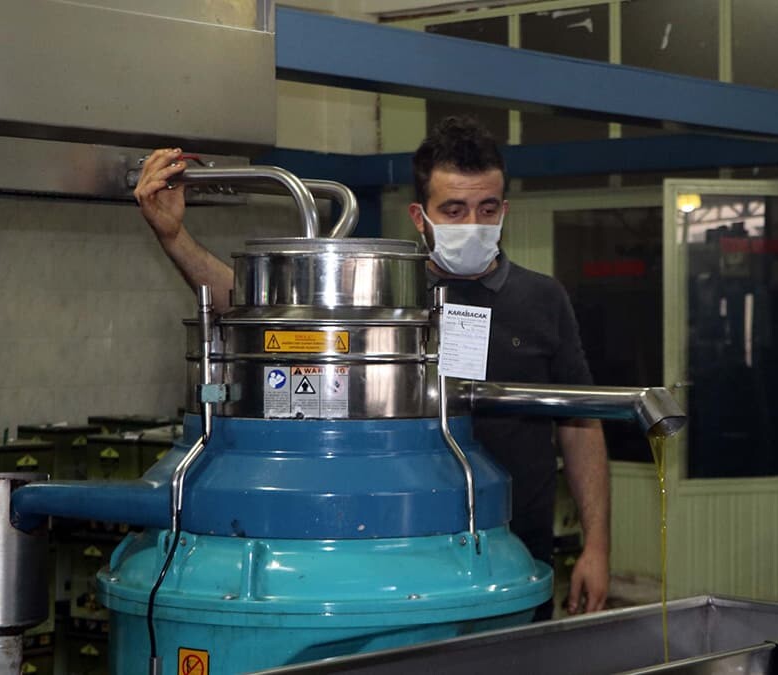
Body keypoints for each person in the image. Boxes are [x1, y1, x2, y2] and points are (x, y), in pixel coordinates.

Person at [133, 116, 610, 618]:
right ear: (418, 216)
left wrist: (596, 547)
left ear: (504, 210)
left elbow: (581, 425)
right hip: (401, 551)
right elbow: (253, 309)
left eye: (486, 209)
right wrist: (174, 238)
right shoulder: (381, 292)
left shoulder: (542, 299)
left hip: (514, 550)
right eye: (453, 209)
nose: (472, 224)